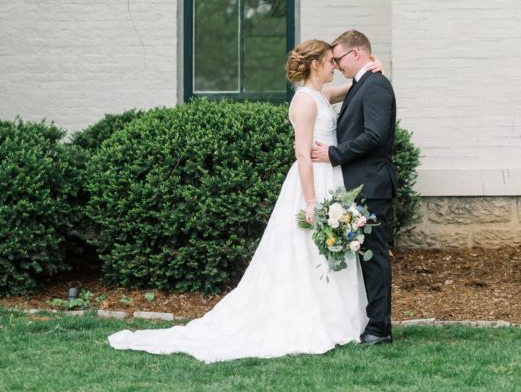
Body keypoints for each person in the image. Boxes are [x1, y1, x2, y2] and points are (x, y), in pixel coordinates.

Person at [107, 40, 382, 363]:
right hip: (312, 182)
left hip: (332, 179)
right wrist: (310, 201)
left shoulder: (321, 95)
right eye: (328, 61)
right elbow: (302, 154)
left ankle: (339, 319)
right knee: (306, 254)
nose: (334, 65)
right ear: (314, 65)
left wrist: (371, 71)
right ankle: (308, 317)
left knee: (325, 254)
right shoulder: (305, 102)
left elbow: (353, 89)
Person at [311, 29, 397, 345]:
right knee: (366, 257)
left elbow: (374, 136)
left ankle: (379, 328)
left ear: (357, 53)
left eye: (339, 58)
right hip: (360, 185)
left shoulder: (375, 87)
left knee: (374, 257)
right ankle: (369, 322)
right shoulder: (364, 83)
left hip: (372, 185)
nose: (337, 64)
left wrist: (334, 154)